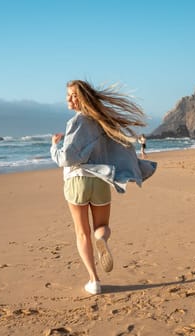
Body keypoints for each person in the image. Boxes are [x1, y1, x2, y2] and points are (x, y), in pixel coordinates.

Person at [50, 80, 157, 295]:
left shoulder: (76, 122)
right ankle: (102, 240)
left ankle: (94, 280)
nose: (68, 99)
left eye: (73, 95)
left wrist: (54, 146)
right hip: (100, 180)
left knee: (82, 234)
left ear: (83, 98)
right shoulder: (103, 122)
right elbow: (118, 148)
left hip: (77, 181)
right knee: (102, 229)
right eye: (68, 95)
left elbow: (67, 159)